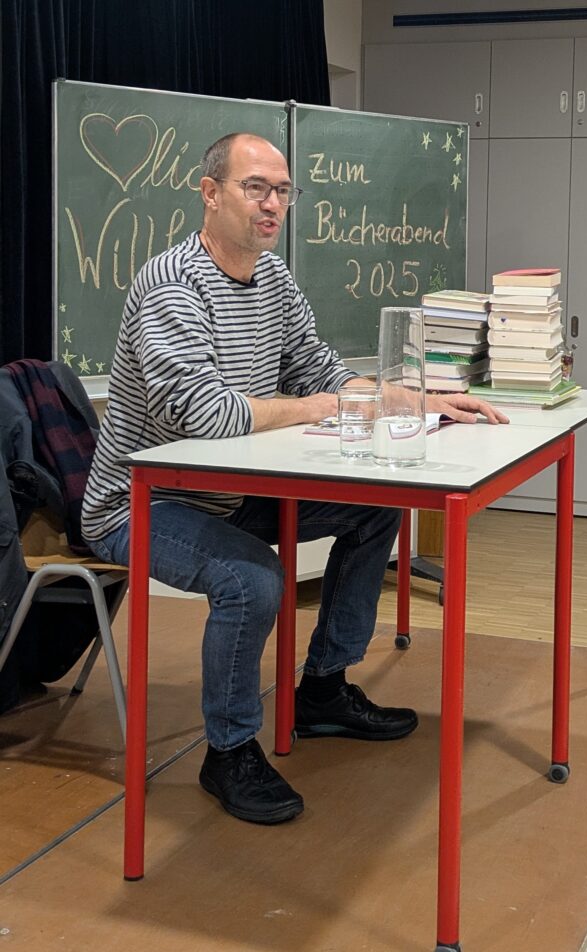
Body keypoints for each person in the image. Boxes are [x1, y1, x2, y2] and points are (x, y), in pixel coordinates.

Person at [82, 133, 508, 826]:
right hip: (140, 504)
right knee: (251, 580)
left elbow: (320, 370)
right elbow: (206, 415)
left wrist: (422, 402)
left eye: (282, 191)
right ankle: (227, 751)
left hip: (225, 495)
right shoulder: (171, 284)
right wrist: (320, 408)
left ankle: (321, 691)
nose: (272, 204)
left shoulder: (273, 280)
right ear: (210, 192)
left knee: (375, 508)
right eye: (256, 188)